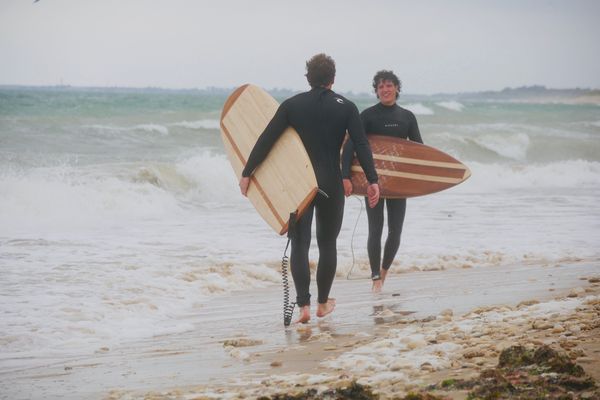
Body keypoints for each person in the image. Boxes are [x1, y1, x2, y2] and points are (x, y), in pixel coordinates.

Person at [239, 54, 380, 323]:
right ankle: (323, 303)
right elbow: (361, 145)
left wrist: (248, 173)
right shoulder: (347, 107)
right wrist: (372, 179)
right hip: (331, 183)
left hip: (299, 184)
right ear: (333, 79)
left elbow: (266, 140)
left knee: (300, 243)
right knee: (327, 244)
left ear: (308, 77)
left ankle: (303, 306)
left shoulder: (292, 105)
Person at [341, 70, 423, 293]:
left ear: (397, 88)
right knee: (375, 230)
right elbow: (351, 145)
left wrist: (419, 181)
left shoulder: (407, 117)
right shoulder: (367, 116)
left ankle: (384, 272)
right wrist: (345, 176)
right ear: (376, 91)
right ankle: (375, 276)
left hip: (398, 183)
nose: (385, 90)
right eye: (380, 87)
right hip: (372, 181)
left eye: (389, 85)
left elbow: (418, 150)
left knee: (395, 231)